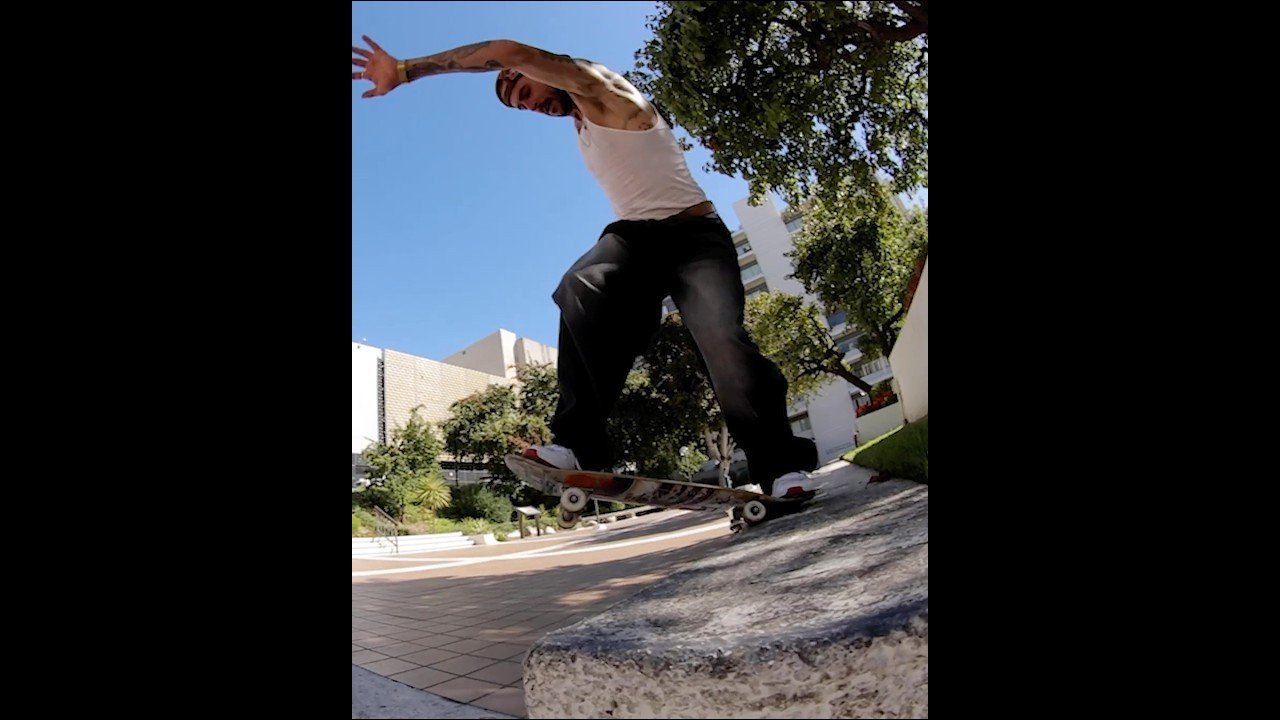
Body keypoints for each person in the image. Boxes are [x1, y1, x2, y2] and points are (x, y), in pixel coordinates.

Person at [352, 36, 817, 496]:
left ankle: (780, 469)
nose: (532, 107)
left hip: (695, 238)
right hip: (636, 238)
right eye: (521, 107)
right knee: (580, 286)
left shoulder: (603, 89)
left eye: (527, 94)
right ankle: (578, 446)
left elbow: (510, 51)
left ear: (543, 73)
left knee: (722, 342)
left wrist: (408, 69)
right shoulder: (582, 128)